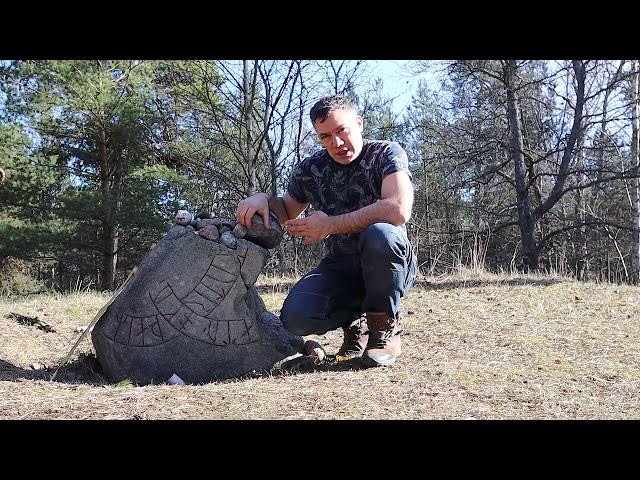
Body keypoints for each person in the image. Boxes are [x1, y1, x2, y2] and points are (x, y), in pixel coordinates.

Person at [235, 94, 417, 367]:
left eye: (342, 130)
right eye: (325, 137)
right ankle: (354, 322)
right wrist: (262, 199)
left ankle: (382, 329)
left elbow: (398, 209)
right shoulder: (312, 168)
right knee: (296, 317)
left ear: (359, 123)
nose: (337, 143)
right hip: (340, 265)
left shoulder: (386, 153)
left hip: (389, 260)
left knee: (381, 235)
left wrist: (331, 224)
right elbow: (286, 210)